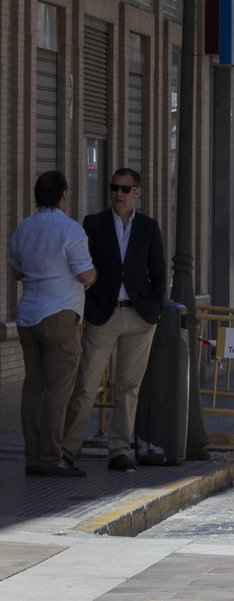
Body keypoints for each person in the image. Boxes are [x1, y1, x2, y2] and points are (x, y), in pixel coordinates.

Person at [62, 168, 168, 473]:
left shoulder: (148, 227)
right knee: (86, 385)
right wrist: (89, 305)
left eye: (125, 189)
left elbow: (158, 272)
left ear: (137, 193)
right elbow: (83, 265)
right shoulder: (93, 223)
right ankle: (68, 449)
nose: (118, 194)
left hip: (139, 317)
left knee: (129, 387)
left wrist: (156, 308)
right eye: (114, 188)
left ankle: (119, 451)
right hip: (102, 316)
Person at [8, 171, 96, 477]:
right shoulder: (70, 229)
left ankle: (33, 457)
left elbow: (18, 273)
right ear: (63, 196)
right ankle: (52, 457)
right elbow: (85, 275)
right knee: (58, 390)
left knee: (33, 388)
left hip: (27, 316)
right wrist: (94, 276)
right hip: (60, 313)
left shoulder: (23, 228)